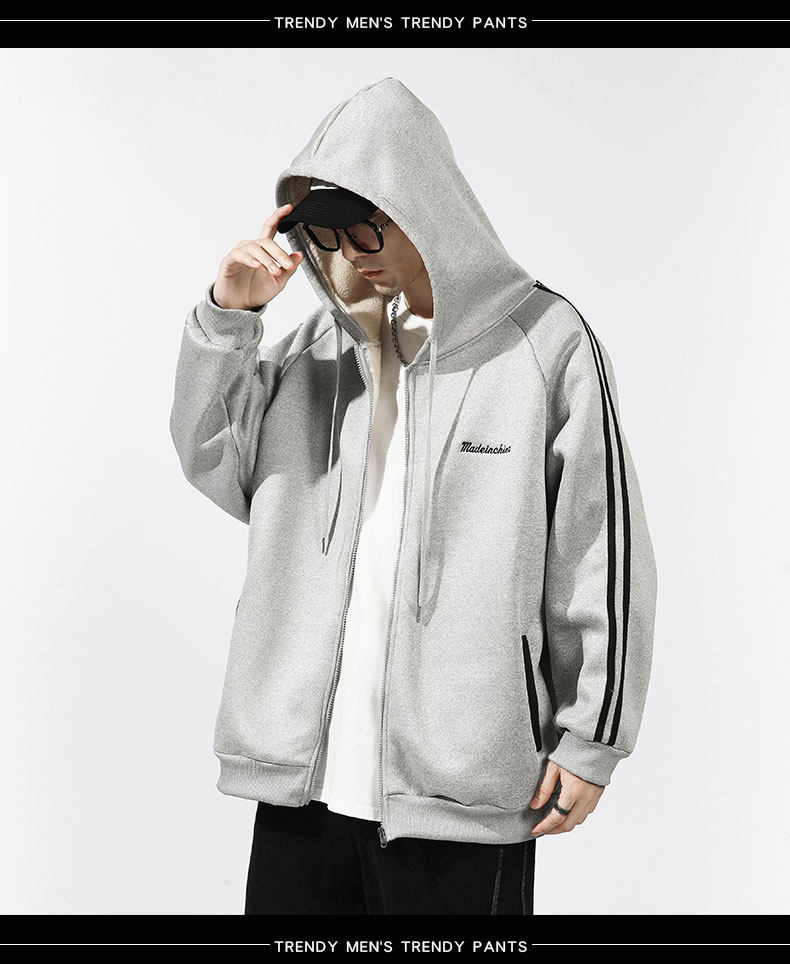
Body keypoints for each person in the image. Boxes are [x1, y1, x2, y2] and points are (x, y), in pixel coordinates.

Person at [169, 76, 658, 916]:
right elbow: (212, 456)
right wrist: (229, 319)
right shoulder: (317, 349)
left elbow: (600, 550)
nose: (354, 253)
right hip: (303, 775)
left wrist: (591, 740)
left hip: (461, 787)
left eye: (370, 226)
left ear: (425, 204)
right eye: (329, 235)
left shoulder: (545, 344)